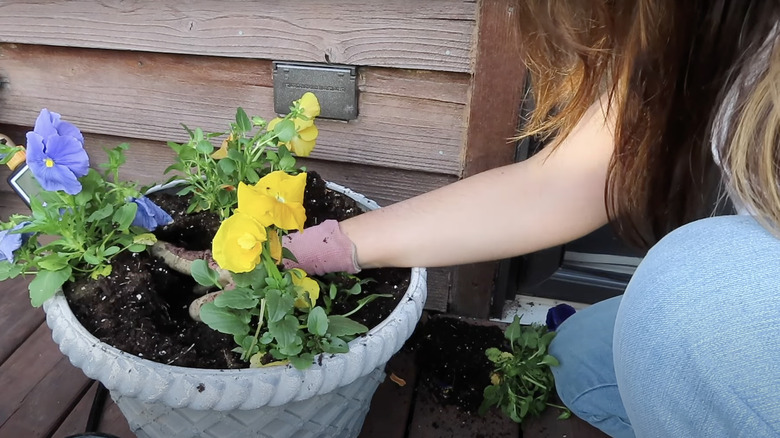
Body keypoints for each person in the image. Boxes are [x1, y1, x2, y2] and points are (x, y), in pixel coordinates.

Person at [283, 1, 780, 436]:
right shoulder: (706, 22)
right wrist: (315, 249)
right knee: (583, 360)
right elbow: (560, 185)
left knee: (680, 307)